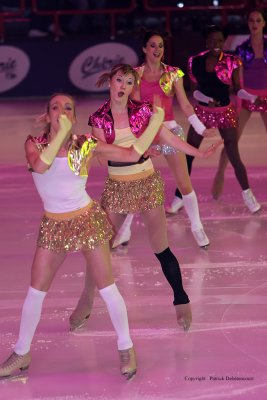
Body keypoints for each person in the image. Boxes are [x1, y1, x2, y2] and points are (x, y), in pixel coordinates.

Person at [0, 92, 164, 380]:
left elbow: (131, 154)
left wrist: (155, 124)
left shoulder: (85, 144)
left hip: (86, 220)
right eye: (55, 107)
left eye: (67, 108)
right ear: (46, 115)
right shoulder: (34, 143)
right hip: (54, 224)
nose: (61, 111)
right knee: (35, 291)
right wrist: (60, 133)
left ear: (74, 116)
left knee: (107, 287)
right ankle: (22, 352)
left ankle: (126, 347)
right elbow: (40, 166)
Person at [69, 63, 223, 333]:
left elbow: (167, 139)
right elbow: (103, 157)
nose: (123, 87)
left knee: (161, 248)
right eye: (119, 80)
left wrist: (198, 154)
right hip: (117, 188)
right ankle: (87, 298)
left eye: (129, 83)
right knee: (100, 250)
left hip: (147, 184)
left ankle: (181, 299)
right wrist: (139, 149)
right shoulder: (98, 119)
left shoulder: (142, 112)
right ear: (110, 83)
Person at [113, 30, 219, 251]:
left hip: (170, 131)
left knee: (184, 182)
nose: (157, 49)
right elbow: (133, 109)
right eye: (152, 45)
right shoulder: (136, 74)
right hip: (145, 133)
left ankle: (197, 227)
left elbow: (186, 104)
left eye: (160, 45)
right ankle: (124, 231)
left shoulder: (173, 74)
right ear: (144, 49)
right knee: (138, 184)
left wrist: (200, 128)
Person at [172, 25, 261, 214]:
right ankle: (179, 197)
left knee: (234, 155)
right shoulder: (195, 61)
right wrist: (206, 100)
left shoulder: (232, 61)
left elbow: (238, 90)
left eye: (220, 40)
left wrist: (251, 97)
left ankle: (248, 195)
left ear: (224, 41)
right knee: (189, 153)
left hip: (225, 112)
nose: (216, 44)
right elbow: (194, 91)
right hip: (203, 112)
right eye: (212, 40)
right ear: (206, 41)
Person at [212, 8, 267, 199]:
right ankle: (219, 174)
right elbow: (237, 79)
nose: (254, 24)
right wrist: (239, 101)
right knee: (231, 140)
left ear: (264, 23)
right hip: (247, 97)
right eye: (251, 20)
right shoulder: (242, 49)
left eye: (258, 20)